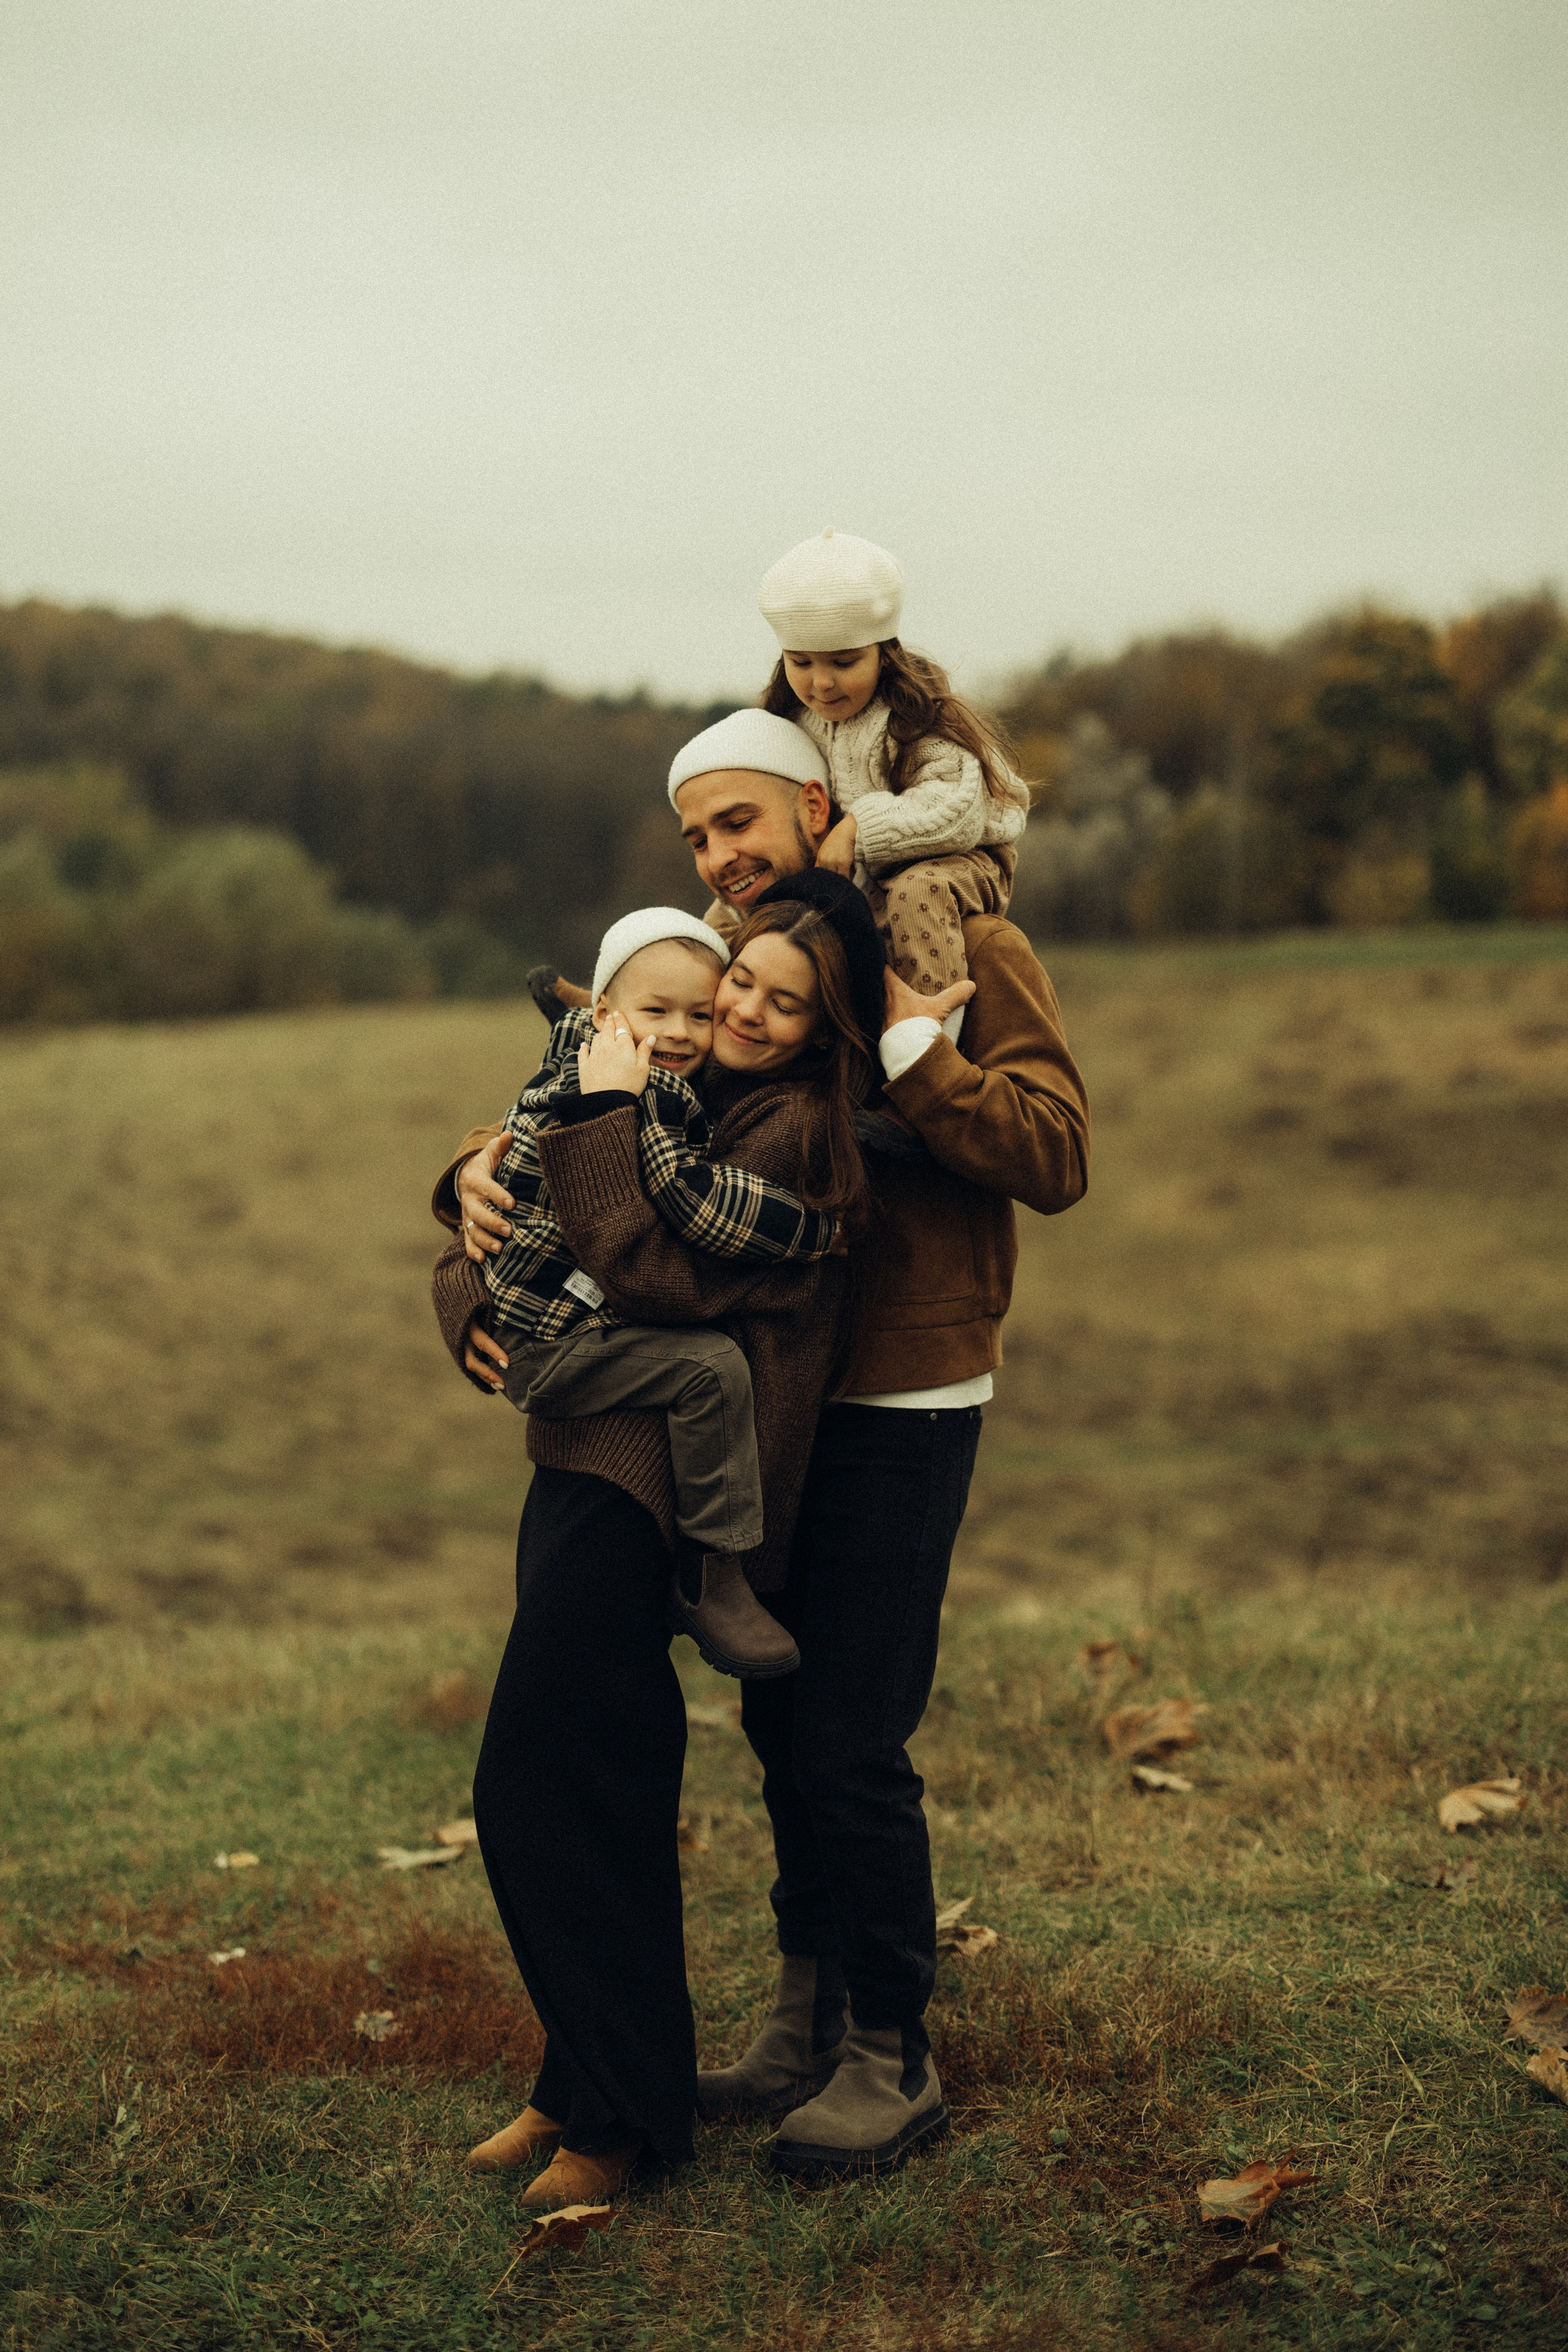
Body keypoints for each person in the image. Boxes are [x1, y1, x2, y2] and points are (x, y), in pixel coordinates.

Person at [458, 708, 1090, 2180]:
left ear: (820, 807)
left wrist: (918, 1053)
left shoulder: (957, 953)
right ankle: (805, 2012)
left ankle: (889, 2046)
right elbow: (622, 1129)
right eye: (694, 839)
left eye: (737, 825)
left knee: (850, 1736)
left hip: (901, 1386)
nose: (715, 859)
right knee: (778, 1722)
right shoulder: (742, 980)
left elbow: (1056, 1152)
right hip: (769, 1393)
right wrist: (470, 1177)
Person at [432, 873, 933, 2210]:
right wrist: (461, 1253)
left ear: (833, 1023)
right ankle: (580, 2078)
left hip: (653, 1489)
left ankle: (624, 2114)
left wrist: (590, 1121)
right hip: (582, 1458)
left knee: (540, 1783)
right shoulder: (676, 1080)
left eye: (775, 998)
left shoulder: (802, 1135)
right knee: (590, 1781)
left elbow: (651, 1267)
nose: (740, 1016)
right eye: (731, 991)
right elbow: (544, 1215)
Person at [482, 903, 845, 1678]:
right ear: (606, 1014)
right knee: (711, 1371)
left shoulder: (625, 1066)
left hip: (563, 1329)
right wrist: (817, 1234)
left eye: (697, 1013)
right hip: (555, 1341)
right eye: (658, 1012)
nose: (682, 1031)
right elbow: (693, 1201)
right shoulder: (626, 1087)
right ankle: (714, 1575)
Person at [755, 527, 1031, 1018]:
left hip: (960, 863)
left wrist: (856, 829)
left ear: (884, 652)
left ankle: (930, 1036)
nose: (820, 683)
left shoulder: (915, 716)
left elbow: (958, 808)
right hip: (864, 879)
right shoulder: (794, 723)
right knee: (761, 878)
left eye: (844, 662)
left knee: (915, 891)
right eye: (800, 662)